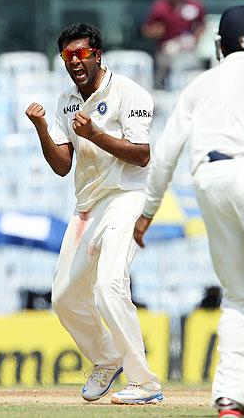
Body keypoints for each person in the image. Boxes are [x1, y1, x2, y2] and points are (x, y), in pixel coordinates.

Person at [25, 23, 163, 405]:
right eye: (68, 56)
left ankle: (145, 383)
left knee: (109, 286)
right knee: (64, 297)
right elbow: (62, 166)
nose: (75, 62)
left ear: (97, 54)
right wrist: (41, 129)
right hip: (87, 205)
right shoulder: (66, 101)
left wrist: (96, 134)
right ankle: (106, 358)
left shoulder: (129, 93)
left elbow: (143, 154)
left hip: (126, 196)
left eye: (82, 54)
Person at [134, 6, 244, 418]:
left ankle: (231, 399)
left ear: (220, 46)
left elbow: (164, 154)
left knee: (238, 295)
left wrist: (147, 211)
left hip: (211, 180)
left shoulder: (202, 84)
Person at [142, 0, 205, 89]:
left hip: (187, 51)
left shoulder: (194, 5)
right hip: (166, 51)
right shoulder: (160, 7)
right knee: (161, 77)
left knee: (193, 74)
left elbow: (202, 26)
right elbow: (146, 30)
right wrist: (157, 31)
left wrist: (194, 38)